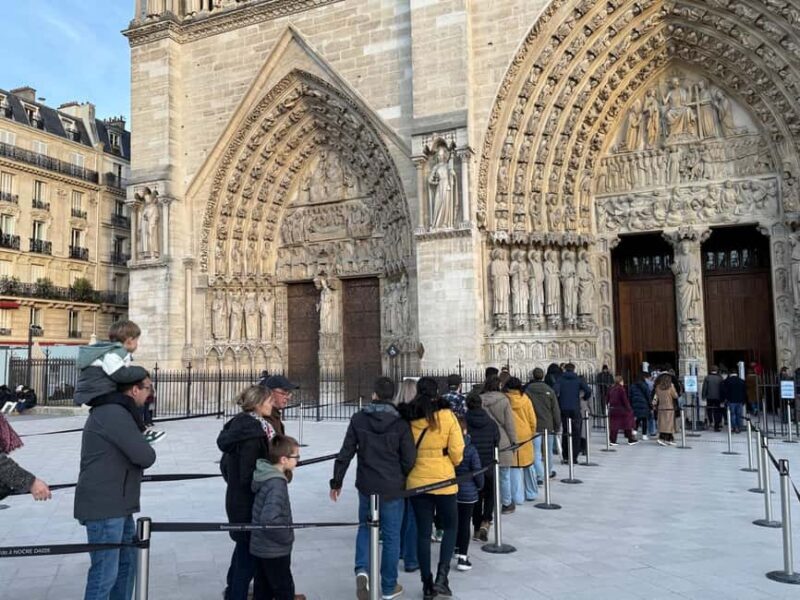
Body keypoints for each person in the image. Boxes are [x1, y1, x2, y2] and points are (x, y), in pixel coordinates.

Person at [74, 366, 157, 600]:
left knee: (126, 566)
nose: (149, 394)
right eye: (148, 388)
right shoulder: (114, 413)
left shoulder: (116, 411)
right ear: (134, 390)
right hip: (105, 507)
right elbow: (145, 456)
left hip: (118, 503)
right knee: (104, 574)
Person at [330, 377, 416, 600]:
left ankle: (362, 571)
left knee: (365, 528)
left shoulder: (359, 419)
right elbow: (409, 458)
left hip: (367, 485)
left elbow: (346, 451)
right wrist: (402, 476)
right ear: (392, 396)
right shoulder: (400, 423)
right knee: (390, 536)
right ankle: (388, 586)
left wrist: (336, 481)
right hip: (392, 488)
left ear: (375, 395)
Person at [401, 377, 464, 599]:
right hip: (443, 479)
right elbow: (457, 450)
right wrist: (451, 462)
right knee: (450, 527)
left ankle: (426, 584)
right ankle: (442, 578)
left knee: (423, 533)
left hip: (418, 481)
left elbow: (404, 448)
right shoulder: (447, 416)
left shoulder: (409, 417)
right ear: (437, 393)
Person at [217, 385, 277, 600]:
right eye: (269, 401)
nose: (273, 405)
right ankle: (236, 595)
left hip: (236, 500)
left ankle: (232, 590)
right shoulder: (253, 433)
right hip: (249, 504)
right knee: (248, 556)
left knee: (243, 550)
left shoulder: (238, 426)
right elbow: (249, 475)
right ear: (259, 404)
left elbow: (224, 466)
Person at [73, 320, 165, 443]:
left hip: (98, 391)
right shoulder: (113, 354)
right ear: (130, 341)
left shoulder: (116, 353)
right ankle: (143, 432)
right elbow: (119, 375)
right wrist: (141, 371)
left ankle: (131, 430)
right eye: (137, 340)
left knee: (125, 401)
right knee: (127, 401)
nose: (138, 344)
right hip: (95, 393)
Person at [250, 434, 306, 600]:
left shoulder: (266, 475)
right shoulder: (276, 484)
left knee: (263, 589)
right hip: (274, 549)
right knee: (283, 589)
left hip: (262, 547)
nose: (298, 460)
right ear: (283, 459)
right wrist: (286, 537)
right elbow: (269, 520)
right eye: (296, 456)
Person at [479, 375, 517, 515]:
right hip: (502, 439)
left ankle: (485, 503)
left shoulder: (480, 400)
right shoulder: (504, 400)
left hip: (484, 438)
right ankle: (506, 503)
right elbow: (509, 423)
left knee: (484, 474)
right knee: (504, 474)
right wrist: (514, 441)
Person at [465, 394, 499, 542]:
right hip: (488, 464)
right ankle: (486, 520)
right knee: (490, 494)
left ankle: (477, 527)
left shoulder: (464, 422)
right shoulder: (491, 423)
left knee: (476, 496)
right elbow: (496, 441)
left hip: (471, 466)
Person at [454, 417, 484, 572]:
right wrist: (480, 486)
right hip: (468, 492)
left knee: (454, 523)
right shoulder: (471, 449)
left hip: (452, 491)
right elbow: (477, 471)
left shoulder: (449, 447)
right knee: (465, 524)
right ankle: (462, 556)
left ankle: (454, 547)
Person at [503, 377, 537, 508]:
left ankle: (517, 497)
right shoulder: (525, 399)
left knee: (515, 467)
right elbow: (532, 418)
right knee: (528, 465)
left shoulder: (505, 400)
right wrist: (532, 431)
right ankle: (532, 492)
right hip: (525, 434)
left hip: (511, 434)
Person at [525, 367, 560, 484]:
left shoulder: (528, 390)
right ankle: (548, 472)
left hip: (534, 425)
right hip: (548, 425)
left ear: (533, 376)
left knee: (536, 452)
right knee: (548, 451)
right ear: (543, 376)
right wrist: (557, 425)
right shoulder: (549, 390)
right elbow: (555, 410)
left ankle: (539, 475)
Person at [553, 363, 591, 464]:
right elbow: (588, 391)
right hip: (575, 408)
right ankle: (574, 456)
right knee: (576, 433)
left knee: (565, 431)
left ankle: (565, 455)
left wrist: (559, 400)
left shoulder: (560, 379)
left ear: (565, 369)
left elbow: (555, 391)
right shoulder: (578, 379)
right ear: (574, 369)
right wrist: (584, 398)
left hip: (564, 408)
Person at [607, 376, 638, 445]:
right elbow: (625, 400)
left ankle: (612, 440)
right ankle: (630, 439)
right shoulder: (621, 389)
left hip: (613, 409)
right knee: (627, 424)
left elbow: (607, 399)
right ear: (621, 381)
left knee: (614, 426)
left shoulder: (611, 389)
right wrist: (629, 409)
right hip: (621, 410)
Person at [653, 373, 679, 446]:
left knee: (662, 424)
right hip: (669, 407)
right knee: (669, 424)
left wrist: (654, 405)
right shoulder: (671, 387)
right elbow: (675, 396)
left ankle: (668, 438)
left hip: (661, 407)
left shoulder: (658, 387)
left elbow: (655, 398)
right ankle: (664, 438)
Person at [722, 369, 747, 433]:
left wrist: (724, 399)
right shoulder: (742, 381)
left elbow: (724, 392)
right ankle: (739, 427)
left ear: (730, 374)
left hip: (731, 400)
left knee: (732, 415)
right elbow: (744, 392)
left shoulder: (727, 381)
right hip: (740, 400)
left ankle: (734, 427)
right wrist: (744, 400)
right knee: (739, 414)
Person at [629, 373, 652, 440]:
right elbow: (648, 395)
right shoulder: (645, 385)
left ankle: (634, 432)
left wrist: (631, 404)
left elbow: (630, 396)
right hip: (644, 404)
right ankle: (644, 435)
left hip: (635, 404)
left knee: (638, 418)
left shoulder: (632, 386)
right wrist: (650, 405)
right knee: (644, 420)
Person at [702, 366, 724, 432]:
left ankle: (711, 421)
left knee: (709, 409)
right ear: (717, 370)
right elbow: (722, 389)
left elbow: (704, 388)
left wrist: (703, 396)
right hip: (718, 397)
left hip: (709, 397)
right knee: (717, 411)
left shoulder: (707, 377)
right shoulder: (720, 378)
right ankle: (716, 425)